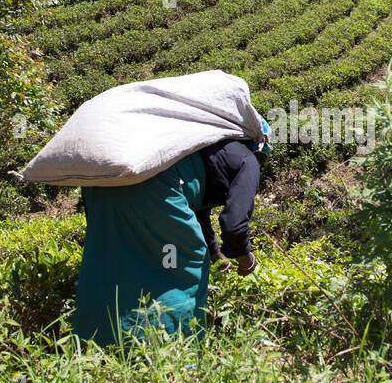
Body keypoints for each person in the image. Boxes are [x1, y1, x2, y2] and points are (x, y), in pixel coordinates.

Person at [71, 117, 268, 348]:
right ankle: (173, 351)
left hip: (101, 184)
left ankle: (94, 341)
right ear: (258, 146)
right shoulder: (249, 160)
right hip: (151, 185)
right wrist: (246, 261)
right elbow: (234, 225)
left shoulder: (204, 145)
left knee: (112, 257)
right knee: (177, 263)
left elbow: (196, 207)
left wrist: (216, 254)